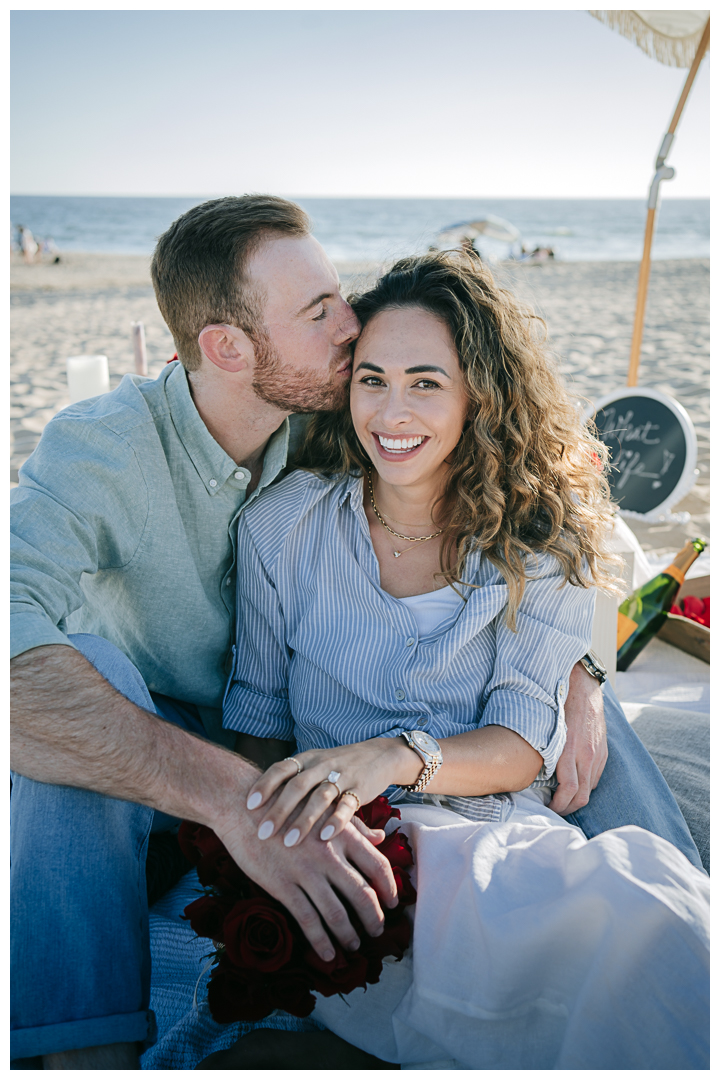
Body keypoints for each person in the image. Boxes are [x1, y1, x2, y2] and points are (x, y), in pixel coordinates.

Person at [9, 197, 697, 1069]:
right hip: (163, 742)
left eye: (340, 298)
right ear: (228, 347)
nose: (351, 325)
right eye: (322, 313)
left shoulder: (326, 408)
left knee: (615, 790)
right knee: (67, 695)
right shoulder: (117, 455)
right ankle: (78, 1051)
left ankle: (687, 908)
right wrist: (236, 804)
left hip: (411, 771)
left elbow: (550, 493)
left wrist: (583, 665)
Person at [216, 250, 708, 1068]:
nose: (391, 410)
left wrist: (396, 757)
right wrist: (267, 845)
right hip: (351, 851)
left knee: (654, 925)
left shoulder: (539, 541)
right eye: (371, 378)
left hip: (498, 838)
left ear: (478, 393)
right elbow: (259, 718)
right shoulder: (282, 528)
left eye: (425, 382)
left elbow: (521, 746)